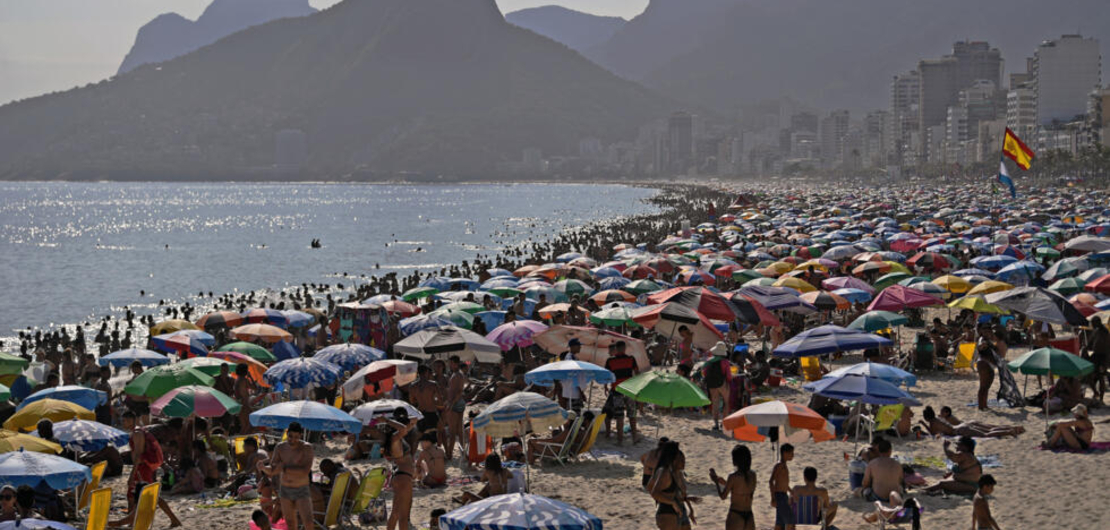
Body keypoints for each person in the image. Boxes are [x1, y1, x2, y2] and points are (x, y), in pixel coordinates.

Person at [122, 411, 182, 527]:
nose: (123, 423)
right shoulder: (138, 432)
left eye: (124, 421)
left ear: (130, 420)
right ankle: (131, 522)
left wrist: (132, 475)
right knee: (134, 495)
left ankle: (173, 519)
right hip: (142, 467)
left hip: (142, 468)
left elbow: (138, 455)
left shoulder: (137, 433)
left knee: (147, 495)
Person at [257, 422, 314, 530]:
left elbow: (305, 471)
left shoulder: (307, 448)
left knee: (308, 521)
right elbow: (273, 470)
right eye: (290, 436)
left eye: (296, 437)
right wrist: (263, 468)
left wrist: (284, 467)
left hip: (301, 489)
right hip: (285, 489)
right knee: (291, 523)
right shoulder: (280, 447)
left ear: (300, 435)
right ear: (287, 434)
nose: (293, 440)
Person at [381, 410, 417, 530]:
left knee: (396, 513)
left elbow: (411, 423)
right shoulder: (394, 439)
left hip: (401, 477)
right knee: (403, 516)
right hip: (403, 478)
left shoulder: (397, 439)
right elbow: (403, 429)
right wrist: (387, 420)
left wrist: (408, 420)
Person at [648, 440, 693, 530]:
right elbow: (654, 492)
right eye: (681, 459)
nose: (683, 462)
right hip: (667, 512)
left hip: (679, 510)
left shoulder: (676, 472)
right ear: (674, 458)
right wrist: (672, 502)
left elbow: (650, 486)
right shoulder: (665, 472)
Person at [709, 445, 756, 530]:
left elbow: (723, 496)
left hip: (736, 514)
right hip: (749, 515)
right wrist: (725, 482)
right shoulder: (753, 475)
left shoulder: (733, 476)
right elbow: (743, 489)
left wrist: (716, 482)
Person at [603, 341, 639, 444]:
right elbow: (637, 374)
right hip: (629, 390)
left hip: (617, 391)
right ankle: (635, 438)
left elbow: (607, 376)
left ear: (616, 349)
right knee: (632, 415)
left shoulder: (610, 361)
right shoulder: (631, 359)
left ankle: (620, 440)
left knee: (620, 416)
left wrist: (605, 386)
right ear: (624, 348)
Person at [918, 406, 1025, 438]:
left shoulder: (932, 423)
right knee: (989, 428)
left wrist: (923, 424)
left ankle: (1009, 431)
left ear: (927, 417)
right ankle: (1011, 428)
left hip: (960, 430)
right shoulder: (938, 418)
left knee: (986, 434)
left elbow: (932, 433)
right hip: (963, 425)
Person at [860, 438, 904, 505]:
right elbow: (900, 480)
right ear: (890, 451)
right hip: (894, 497)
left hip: (877, 497)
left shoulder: (872, 463)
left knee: (858, 491)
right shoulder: (897, 464)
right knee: (900, 488)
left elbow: (865, 482)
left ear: (879, 450)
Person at [703, 342, 732, 430]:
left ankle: (716, 424)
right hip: (722, 384)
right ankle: (723, 423)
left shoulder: (709, 361)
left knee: (715, 403)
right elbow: (728, 376)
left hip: (711, 384)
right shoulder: (725, 362)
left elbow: (705, 373)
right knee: (726, 402)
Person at [444, 355, 467, 460]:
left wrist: (451, 403)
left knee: (452, 431)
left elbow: (459, 391)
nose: (449, 365)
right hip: (457, 402)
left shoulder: (458, 375)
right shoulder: (457, 374)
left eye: (451, 363)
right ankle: (462, 452)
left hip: (455, 403)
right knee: (459, 430)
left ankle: (449, 453)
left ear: (456, 363)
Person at [768, 443, 793, 530]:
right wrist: (773, 497)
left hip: (784, 495)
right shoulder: (779, 466)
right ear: (785, 453)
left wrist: (791, 491)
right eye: (791, 453)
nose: (793, 455)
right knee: (789, 520)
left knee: (780, 521)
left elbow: (784, 483)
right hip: (779, 495)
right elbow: (771, 481)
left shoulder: (784, 465)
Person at [976, 324, 999, 410]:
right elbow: (980, 347)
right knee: (983, 386)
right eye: (984, 331)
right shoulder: (982, 340)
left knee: (987, 386)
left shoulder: (989, 340)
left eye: (988, 331)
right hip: (984, 363)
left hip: (989, 364)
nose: (986, 333)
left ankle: (984, 405)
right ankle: (981, 406)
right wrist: (982, 346)